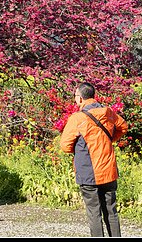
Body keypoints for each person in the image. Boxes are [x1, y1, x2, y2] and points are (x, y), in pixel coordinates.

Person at [59, 82, 129, 237]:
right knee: (111, 211)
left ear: (80, 98)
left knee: (94, 213)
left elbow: (65, 146)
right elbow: (123, 126)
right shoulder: (108, 112)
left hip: (88, 172)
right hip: (108, 170)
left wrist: (79, 149)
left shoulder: (77, 118)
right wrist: (109, 140)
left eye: (75, 96)